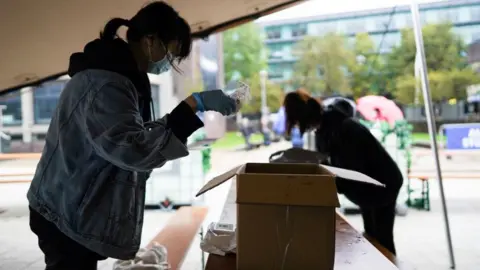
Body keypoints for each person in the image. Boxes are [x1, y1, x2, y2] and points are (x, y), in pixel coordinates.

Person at [27, 2, 236, 269]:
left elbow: (135, 135)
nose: (170, 62)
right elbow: (133, 150)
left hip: (76, 204)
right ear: (151, 40)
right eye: (171, 52)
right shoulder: (104, 83)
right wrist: (192, 106)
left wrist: (189, 112)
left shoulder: (124, 78)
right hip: (64, 210)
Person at [283, 89, 403, 255]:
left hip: (382, 185)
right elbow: (326, 165)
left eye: (297, 122)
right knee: (371, 235)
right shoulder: (323, 129)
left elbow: (351, 174)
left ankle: (388, 263)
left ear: (306, 118)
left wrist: (324, 188)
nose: (298, 127)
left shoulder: (344, 130)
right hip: (367, 187)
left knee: (381, 239)